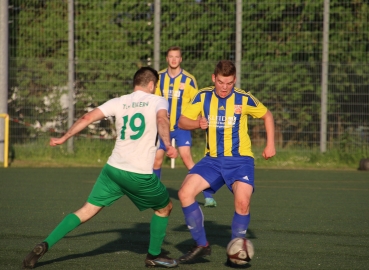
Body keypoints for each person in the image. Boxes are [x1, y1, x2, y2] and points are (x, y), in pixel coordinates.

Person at [22, 67, 179, 269]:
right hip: (138, 173)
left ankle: (45, 244)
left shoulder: (119, 101)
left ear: (135, 83)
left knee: (86, 210)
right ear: (151, 84)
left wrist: (64, 137)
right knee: (165, 208)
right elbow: (161, 119)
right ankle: (153, 255)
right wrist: (167, 143)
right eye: (155, 85)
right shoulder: (158, 100)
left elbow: (87, 118)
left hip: (112, 170)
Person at [176, 60, 276, 265]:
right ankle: (201, 245)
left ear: (234, 80)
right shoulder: (203, 96)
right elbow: (182, 121)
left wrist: (270, 145)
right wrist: (197, 123)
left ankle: (235, 249)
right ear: (214, 79)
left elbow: (267, 115)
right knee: (184, 193)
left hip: (240, 161)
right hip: (212, 160)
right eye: (221, 82)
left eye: (229, 83)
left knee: (242, 201)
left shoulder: (243, 98)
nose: (224, 87)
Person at [153, 46, 217, 207]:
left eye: (177, 57)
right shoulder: (159, 78)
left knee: (187, 159)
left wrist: (201, 118)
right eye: (171, 57)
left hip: (181, 127)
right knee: (157, 160)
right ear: (167, 59)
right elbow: (153, 100)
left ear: (181, 59)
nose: (174, 60)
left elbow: (197, 102)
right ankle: (154, 195)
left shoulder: (189, 80)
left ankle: (207, 195)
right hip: (163, 127)